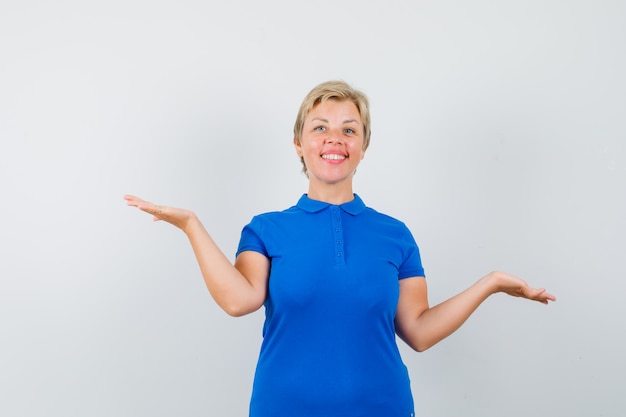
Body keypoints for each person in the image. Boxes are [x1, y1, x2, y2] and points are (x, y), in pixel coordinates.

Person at [125, 80, 556, 417]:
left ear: (362, 147)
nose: (335, 138)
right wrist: (191, 226)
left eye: (349, 129)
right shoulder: (265, 230)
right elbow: (240, 301)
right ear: (299, 144)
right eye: (320, 128)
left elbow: (419, 332)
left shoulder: (395, 235)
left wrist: (492, 283)